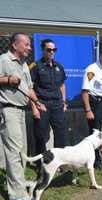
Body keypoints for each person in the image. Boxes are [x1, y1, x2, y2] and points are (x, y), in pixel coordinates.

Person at [0, 33, 46, 200]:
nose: (29, 48)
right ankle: (17, 194)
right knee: (13, 152)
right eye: (26, 44)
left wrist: (37, 102)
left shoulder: (24, 64)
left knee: (21, 151)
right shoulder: (3, 60)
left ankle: (16, 183)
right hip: (7, 110)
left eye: (30, 45)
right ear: (14, 45)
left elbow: (29, 88)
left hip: (20, 110)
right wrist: (7, 79)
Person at [30, 39, 68, 159]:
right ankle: (40, 163)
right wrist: (34, 108)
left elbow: (62, 85)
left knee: (61, 133)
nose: (52, 52)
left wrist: (64, 102)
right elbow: (29, 88)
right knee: (40, 135)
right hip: (42, 105)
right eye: (49, 50)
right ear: (43, 50)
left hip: (57, 105)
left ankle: (59, 162)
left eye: (54, 50)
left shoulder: (59, 66)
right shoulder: (35, 66)